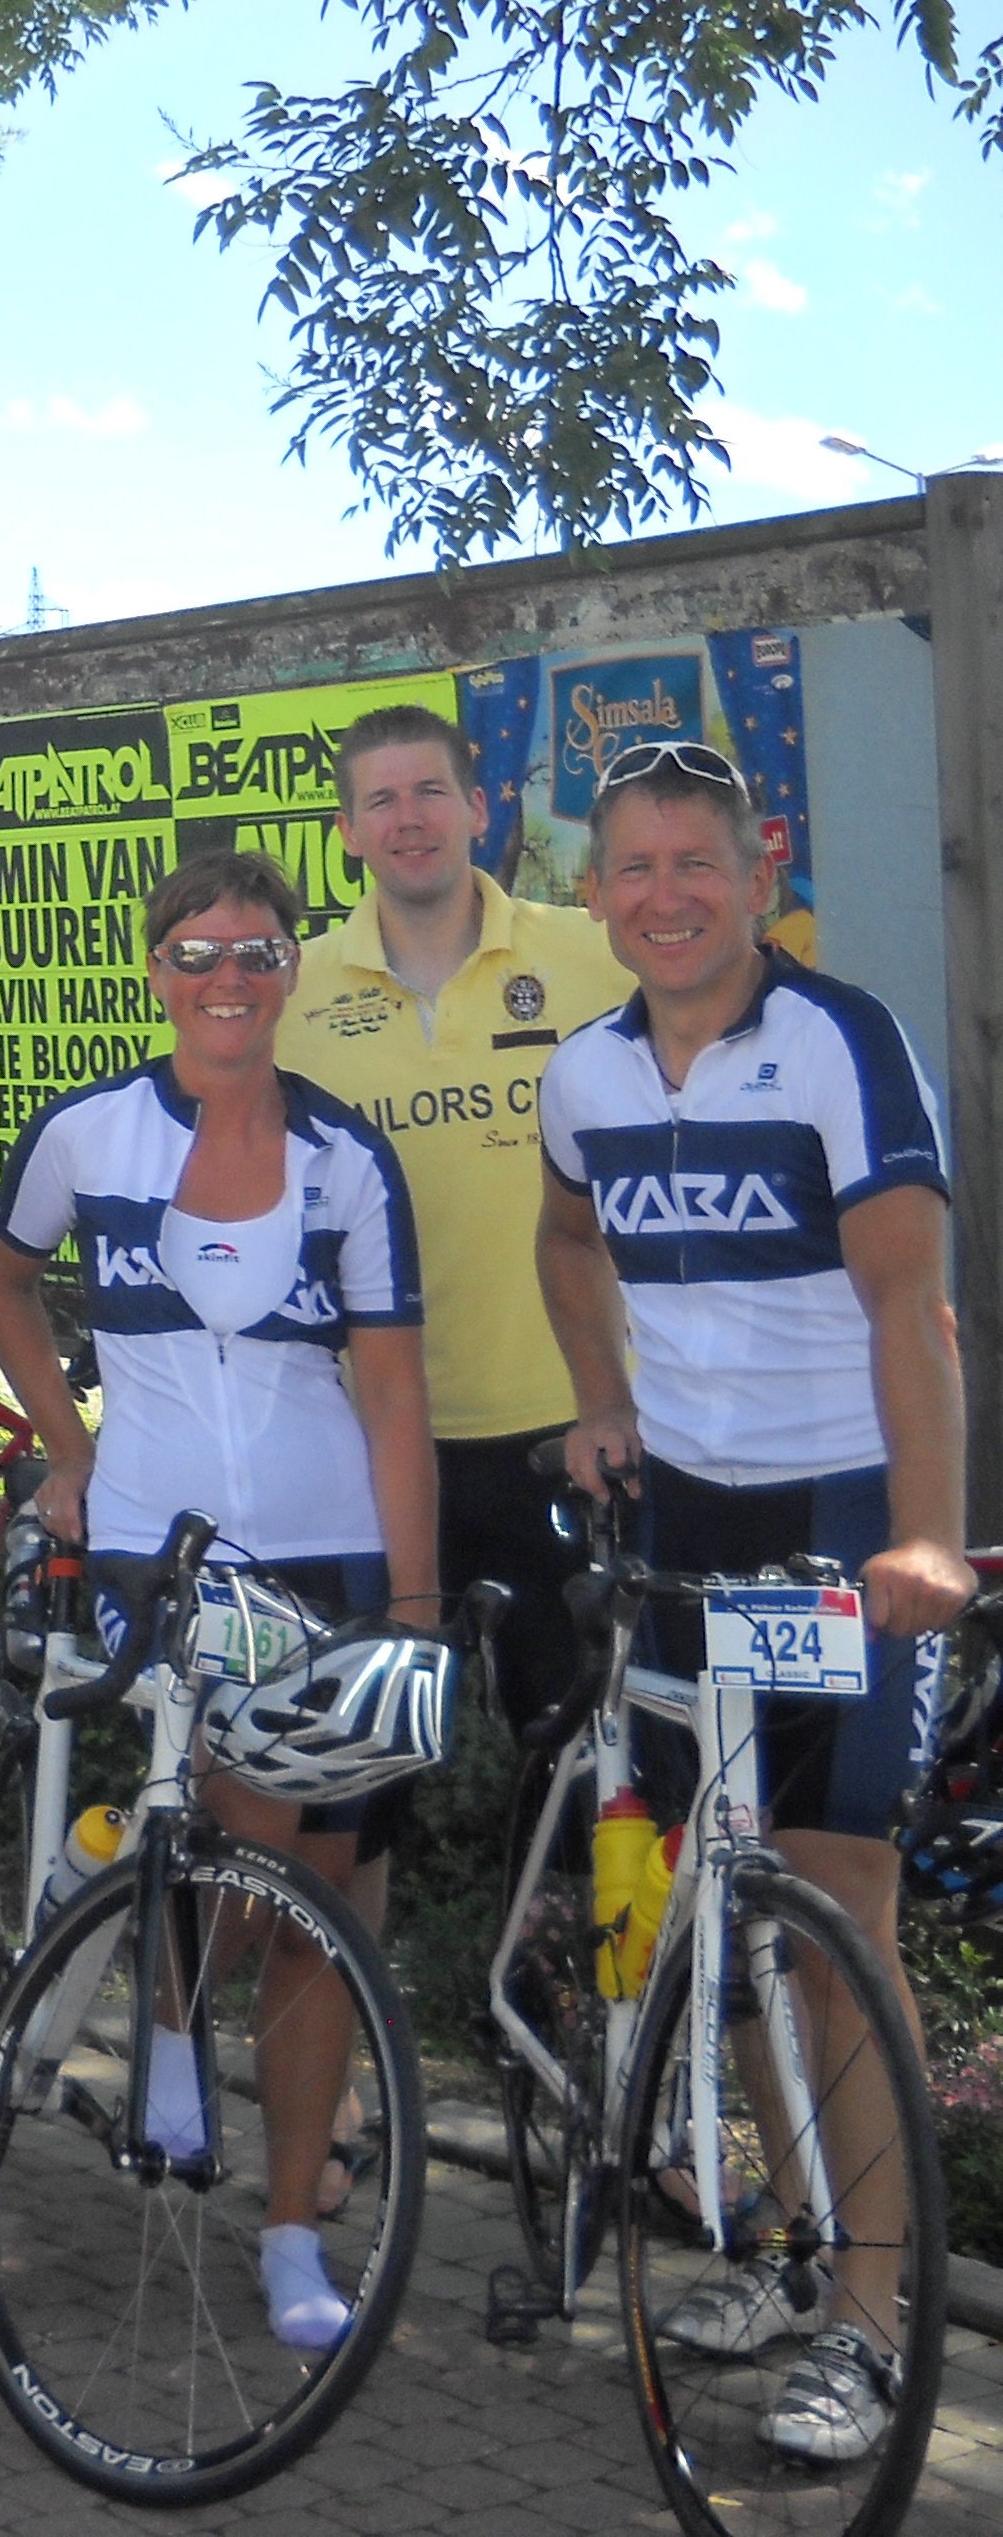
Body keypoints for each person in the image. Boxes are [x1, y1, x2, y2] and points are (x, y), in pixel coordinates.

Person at [537, 735, 967, 2464]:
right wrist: (598, 1398)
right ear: (594, 893)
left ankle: (872, 2319)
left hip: (838, 1516)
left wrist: (925, 1536)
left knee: (837, 1914)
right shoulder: (584, 1072)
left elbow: (911, 1306)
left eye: (693, 863)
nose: (665, 898)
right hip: (689, 1525)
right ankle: (792, 2255)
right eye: (633, 869)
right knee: (729, 1909)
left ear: (757, 869)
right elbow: (566, 1238)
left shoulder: (841, 1043)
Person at [0, 843, 436, 2354]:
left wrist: (416, 1600)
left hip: (333, 1549)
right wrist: (68, 1445)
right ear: (155, 971)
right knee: (255, 1821)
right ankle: (172, 2025)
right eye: (198, 954)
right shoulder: (88, 1134)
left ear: (292, 970)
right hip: (157, 1547)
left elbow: (395, 1394)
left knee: (320, 1906)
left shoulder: (349, 1159)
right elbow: (3, 1280)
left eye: (257, 953)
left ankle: (291, 2227)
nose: (228, 979)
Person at [286, 701, 632, 1742]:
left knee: (586, 1751)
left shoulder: (596, 956)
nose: (410, 818)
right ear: (348, 831)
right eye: (382, 799)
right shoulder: (290, 992)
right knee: (368, 1761)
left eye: (431, 791)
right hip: (374, 1437)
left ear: (480, 809)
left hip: (567, 1429)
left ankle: (559, 1865)